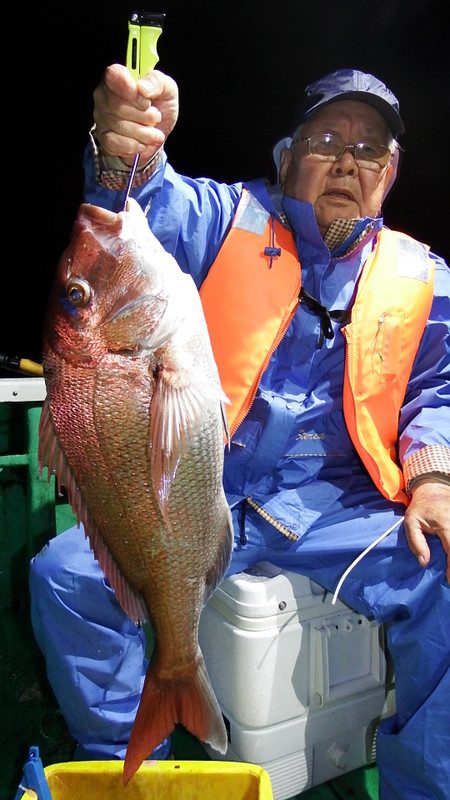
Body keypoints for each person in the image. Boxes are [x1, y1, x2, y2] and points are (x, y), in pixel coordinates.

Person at [29, 66, 450, 799]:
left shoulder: (425, 273)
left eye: (371, 149)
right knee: (63, 579)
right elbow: (136, 205)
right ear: (287, 157)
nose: (349, 161)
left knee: (446, 570)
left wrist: (434, 477)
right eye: (327, 139)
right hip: (200, 488)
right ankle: (130, 771)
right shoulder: (224, 219)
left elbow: (437, 388)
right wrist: (127, 146)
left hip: (338, 508)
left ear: (392, 173)